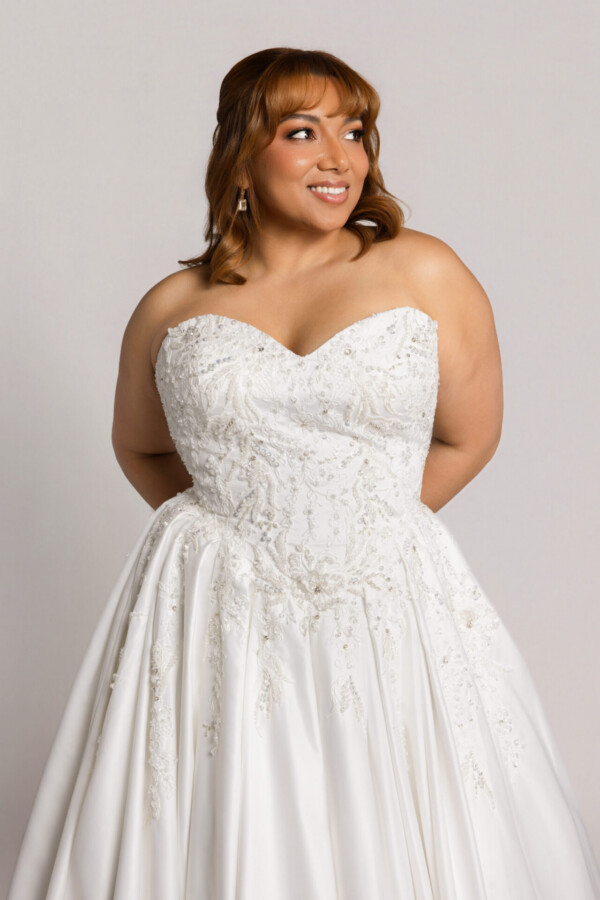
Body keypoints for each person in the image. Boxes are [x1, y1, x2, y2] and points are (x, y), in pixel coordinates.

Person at [8, 46, 600, 900]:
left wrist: (355, 528)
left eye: (355, 132)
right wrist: (232, 535)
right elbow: (138, 445)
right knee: (227, 810)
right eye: (303, 131)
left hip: (388, 593)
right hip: (215, 605)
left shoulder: (425, 270)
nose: (340, 158)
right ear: (242, 153)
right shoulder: (173, 307)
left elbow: (470, 436)